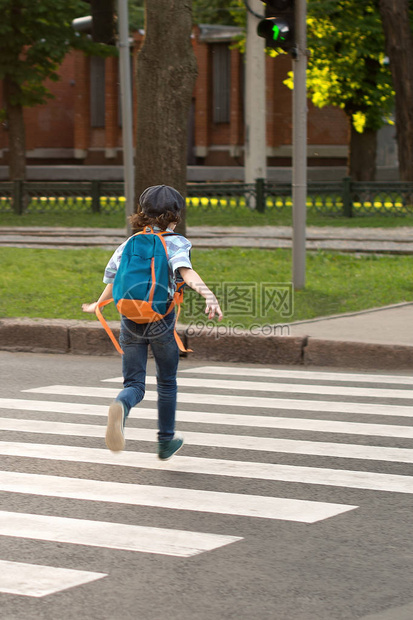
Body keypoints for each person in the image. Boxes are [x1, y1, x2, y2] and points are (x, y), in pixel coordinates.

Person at [82, 184, 223, 460]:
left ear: (143, 214)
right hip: (160, 319)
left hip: (129, 318)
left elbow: (113, 278)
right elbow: (186, 271)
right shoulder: (176, 243)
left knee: (134, 384)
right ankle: (165, 442)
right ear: (175, 216)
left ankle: (122, 406)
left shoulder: (129, 243)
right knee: (167, 382)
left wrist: (98, 304)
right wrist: (209, 295)